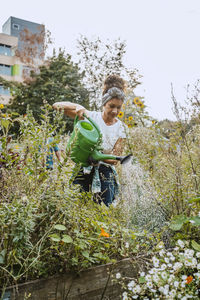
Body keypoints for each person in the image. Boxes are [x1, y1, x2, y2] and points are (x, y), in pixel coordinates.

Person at [53, 75, 127, 206]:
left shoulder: (121, 128)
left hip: (105, 174)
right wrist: (78, 106)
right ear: (104, 103)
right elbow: (56, 106)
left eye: (119, 107)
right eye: (111, 106)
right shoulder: (90, 116)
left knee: (104, 210)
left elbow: (115, 159)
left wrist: (97, 156)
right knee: (74, 205)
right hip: (83, 168)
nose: (115, 111)